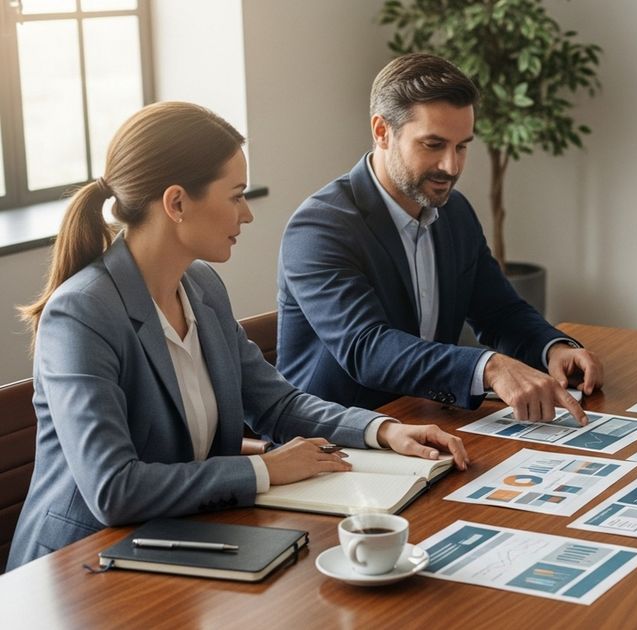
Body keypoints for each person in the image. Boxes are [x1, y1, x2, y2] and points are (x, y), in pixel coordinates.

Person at [7, 102, 467, 571]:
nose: (247, 214)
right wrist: (266, 469)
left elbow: (277, 404)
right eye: (235, 195)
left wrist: (382, 430)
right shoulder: (81, 313)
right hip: (78, 571)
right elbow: (114, 489)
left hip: (178, 543)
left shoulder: (201, 286)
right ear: (177, 203)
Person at [276, 53, 601, 424]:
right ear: (382, 132)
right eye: (433, 145)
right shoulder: (320, 227)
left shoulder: (454, 211)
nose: (452, 166)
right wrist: (490, 367)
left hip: (425, 422)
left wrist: (552, 348)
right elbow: (367, 349)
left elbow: (499, 311)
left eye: (462, 146)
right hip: (337, 440)